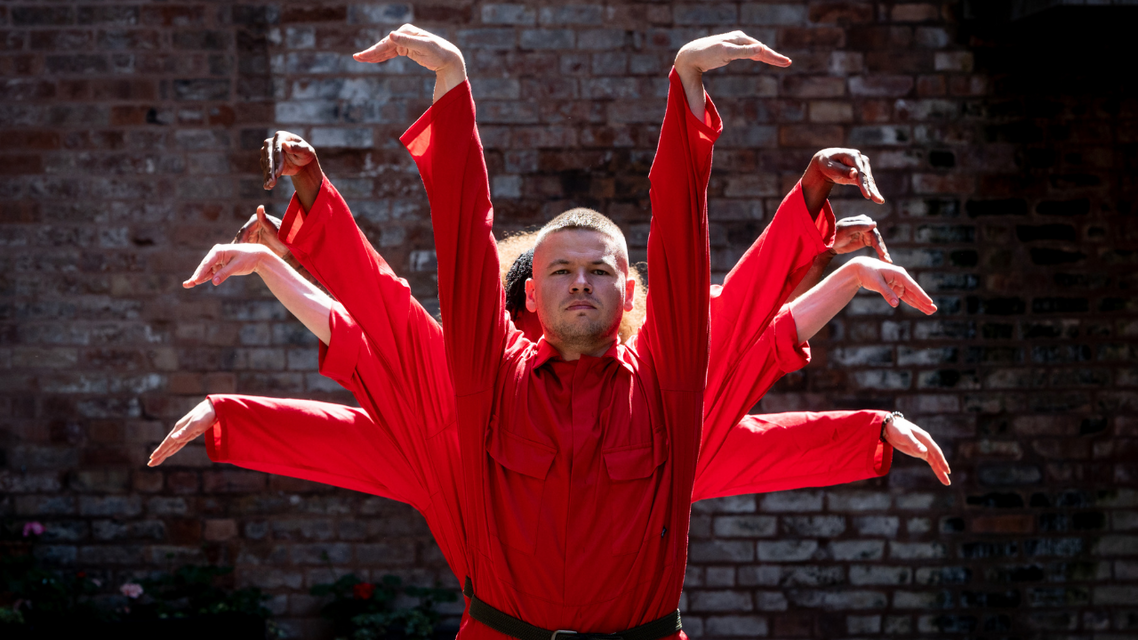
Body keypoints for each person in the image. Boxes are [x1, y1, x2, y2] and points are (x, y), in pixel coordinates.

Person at [151, 26, 949, 640]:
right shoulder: (482, 387)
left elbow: (716, 290)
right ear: (529, 296)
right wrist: (449, 87)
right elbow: (398, 311)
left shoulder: (665, 394)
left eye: (600, 271)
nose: (580, 284)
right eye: (562, 271)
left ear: (629, 292)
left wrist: (690, 89)